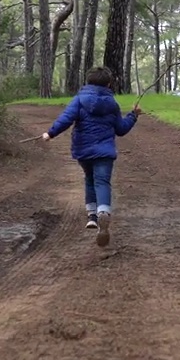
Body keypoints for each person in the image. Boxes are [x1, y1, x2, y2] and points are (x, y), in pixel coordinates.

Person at [40, 67, 141, 247]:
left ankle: (92, 217)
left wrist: (50, 133)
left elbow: (66, 119)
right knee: (102, 182)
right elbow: (121, 129)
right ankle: (104, 212)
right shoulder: (112, 104)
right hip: (105, 152)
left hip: (84, 151)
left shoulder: (79, 100)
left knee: (89, 179)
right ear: (109, 84)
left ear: (87, 82)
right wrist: (133, 116)